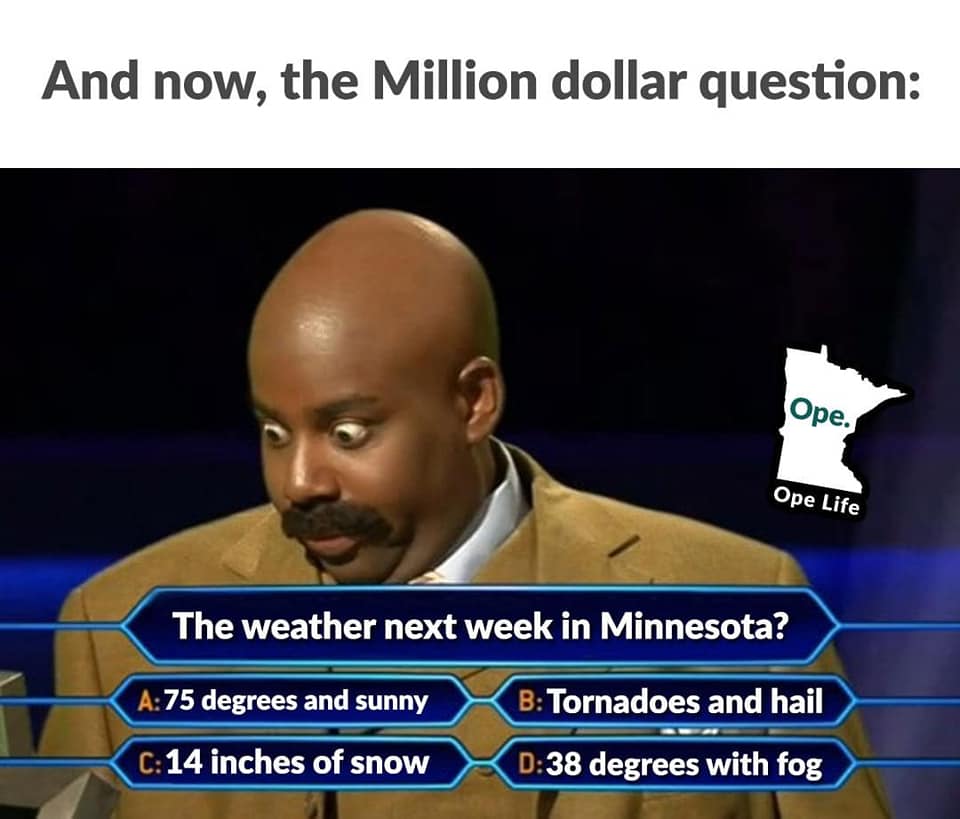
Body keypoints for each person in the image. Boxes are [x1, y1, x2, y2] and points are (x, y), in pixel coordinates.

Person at [39, 209, 892, 818]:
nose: (298, 480)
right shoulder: (118, 634)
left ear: (474, 401)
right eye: (273, 431)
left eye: (348, 431)